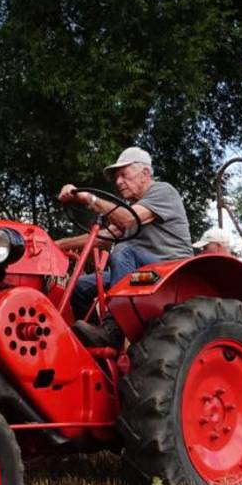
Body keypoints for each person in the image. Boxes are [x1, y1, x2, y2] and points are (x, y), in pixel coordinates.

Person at [56, 146, 193, 346]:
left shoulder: (163, 191)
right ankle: (92, 345)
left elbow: (129, 220)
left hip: (170, 271)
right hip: (141, 271)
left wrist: (90, 198)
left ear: (145, 173)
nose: (119, 182)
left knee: (123, 251)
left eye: (124, 174)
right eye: (117, 177)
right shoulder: (132, 208)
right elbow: (102, 237)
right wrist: (57, 244)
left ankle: (113, 330)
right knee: (80, 287)